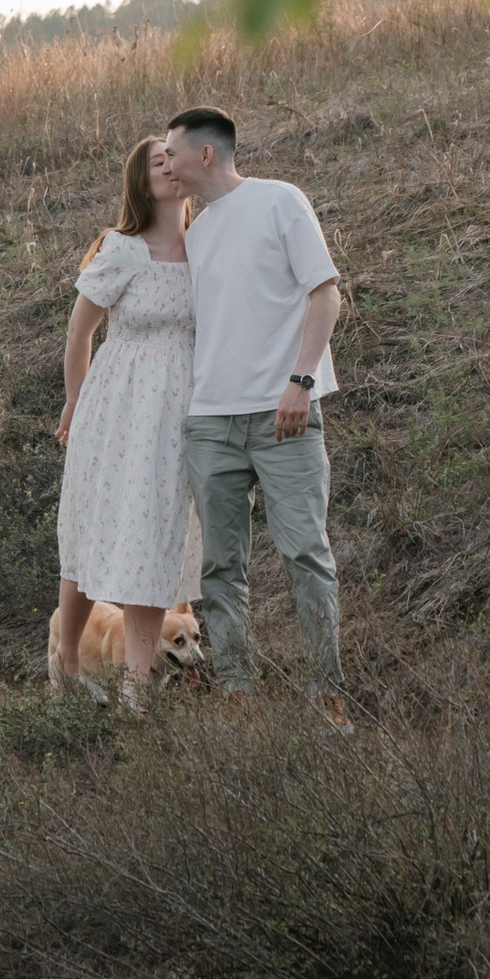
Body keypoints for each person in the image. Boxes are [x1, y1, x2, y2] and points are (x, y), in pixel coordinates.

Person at [154, 104, 348, 727]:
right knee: (219, 569)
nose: (167, 162)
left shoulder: (281, 201)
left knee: (305, 555)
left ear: (205, 154)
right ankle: (237, 696)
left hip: (283, 414)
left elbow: (326, 293)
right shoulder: (197, 233)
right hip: (210, 423)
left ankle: (327, 695)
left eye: (172, 151)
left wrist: (301, 382)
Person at [50, 135, 201, 715]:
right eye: (157, 162)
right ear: (141, 182)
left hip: (178, 413)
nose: (169, 166)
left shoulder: (204, 246)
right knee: (91, 529)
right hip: (118, 411)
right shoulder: (122, 248)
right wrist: (73, 402)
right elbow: (79, 332)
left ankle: (140, 690)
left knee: (158, 541)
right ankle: (67, 660)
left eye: (173, 158)